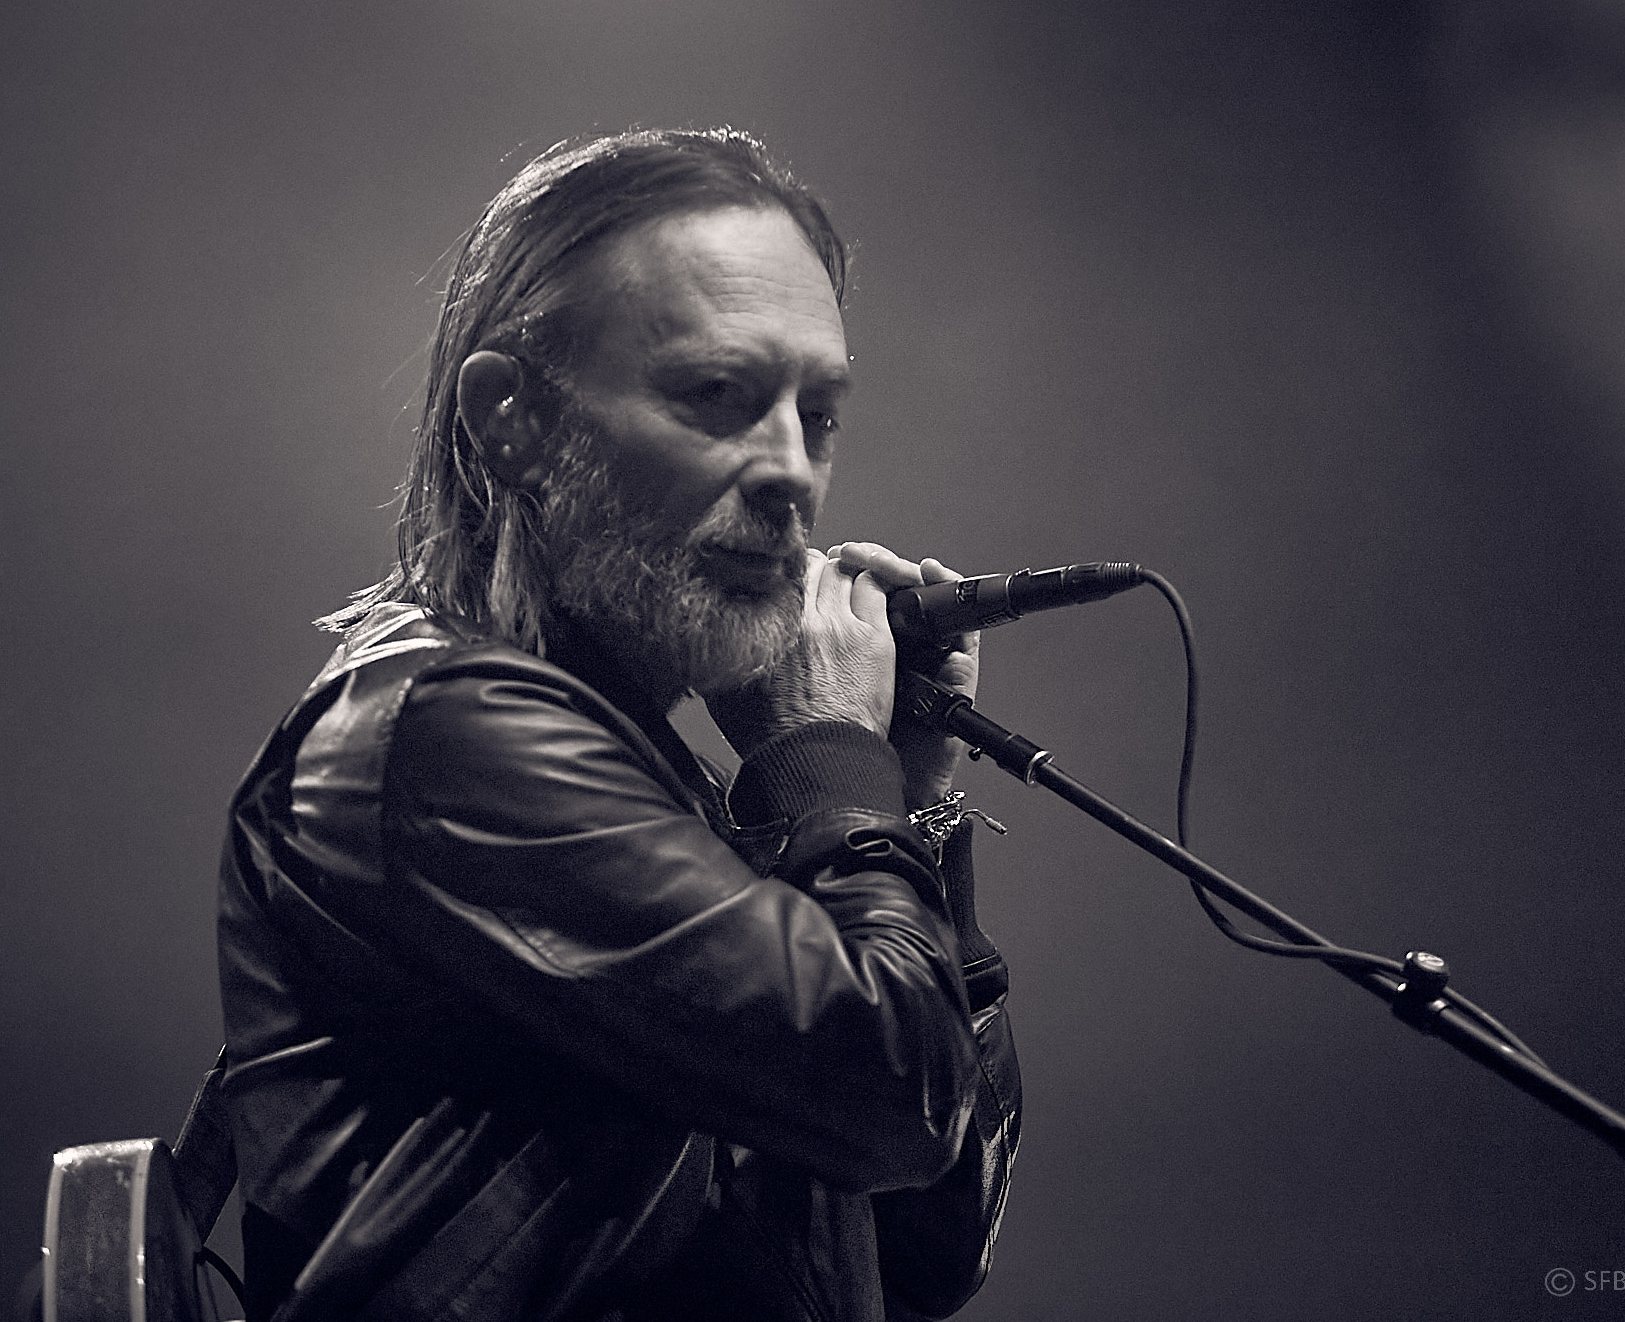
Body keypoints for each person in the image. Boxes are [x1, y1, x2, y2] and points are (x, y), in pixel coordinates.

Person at [215, 128, 1021, 1322]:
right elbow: (889, 1101)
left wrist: (897, 794)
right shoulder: (455, 734)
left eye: (821, 413)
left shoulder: (643, 772)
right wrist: (833, 772)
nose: (792, 472)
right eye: (718, 396)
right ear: (513, 419)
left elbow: (927, 1249)